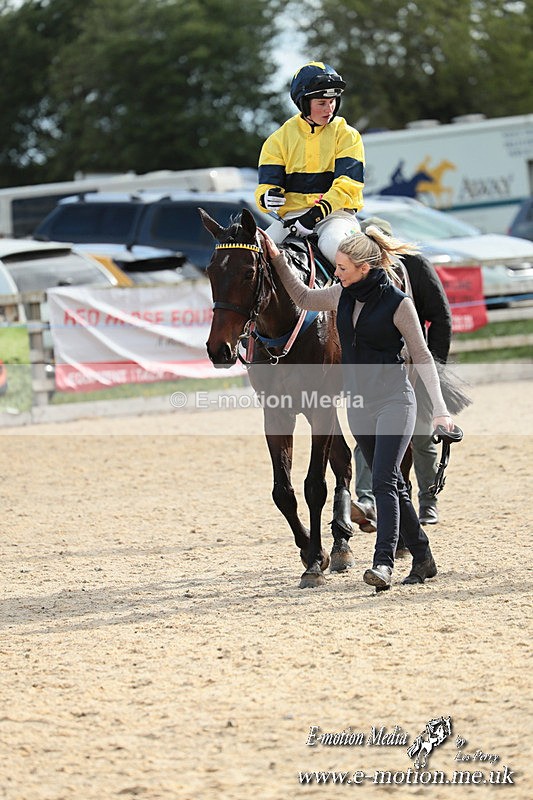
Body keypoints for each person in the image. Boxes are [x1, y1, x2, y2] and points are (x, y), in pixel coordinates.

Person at [261, 225, 455, 591]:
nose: (336, 273)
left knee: (383, 481)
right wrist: (276, 257)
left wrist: (441, 410)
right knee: (393, 483)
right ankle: (423, 556)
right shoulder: (341, 294)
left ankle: (383, 563)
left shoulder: (398, 303)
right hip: (360, 407)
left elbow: (423, 356)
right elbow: (302, 296)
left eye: (342, 268)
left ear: (364, 268)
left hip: (395, 400)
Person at [354, 217, 453, 527]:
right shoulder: (357, 274)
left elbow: (441, 317)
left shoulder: (415, 266)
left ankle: (428, 500)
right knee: (367, 435)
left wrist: (433, 368)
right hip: (376, 369)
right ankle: (367, 500)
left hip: (414, 363)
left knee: (422, 435)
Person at [255, 61, 365, 265]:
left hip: (336, 217)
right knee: (252, 254)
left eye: (332, 101)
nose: (329, 109)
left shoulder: (347, 135)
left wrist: (313, 217)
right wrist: (266, 198)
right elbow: (265, 187)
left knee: (335, 248)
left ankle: (375, 285)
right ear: (303, 103)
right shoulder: (277, 140)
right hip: (291, 220)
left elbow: (347, 186)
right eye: (321, 103)